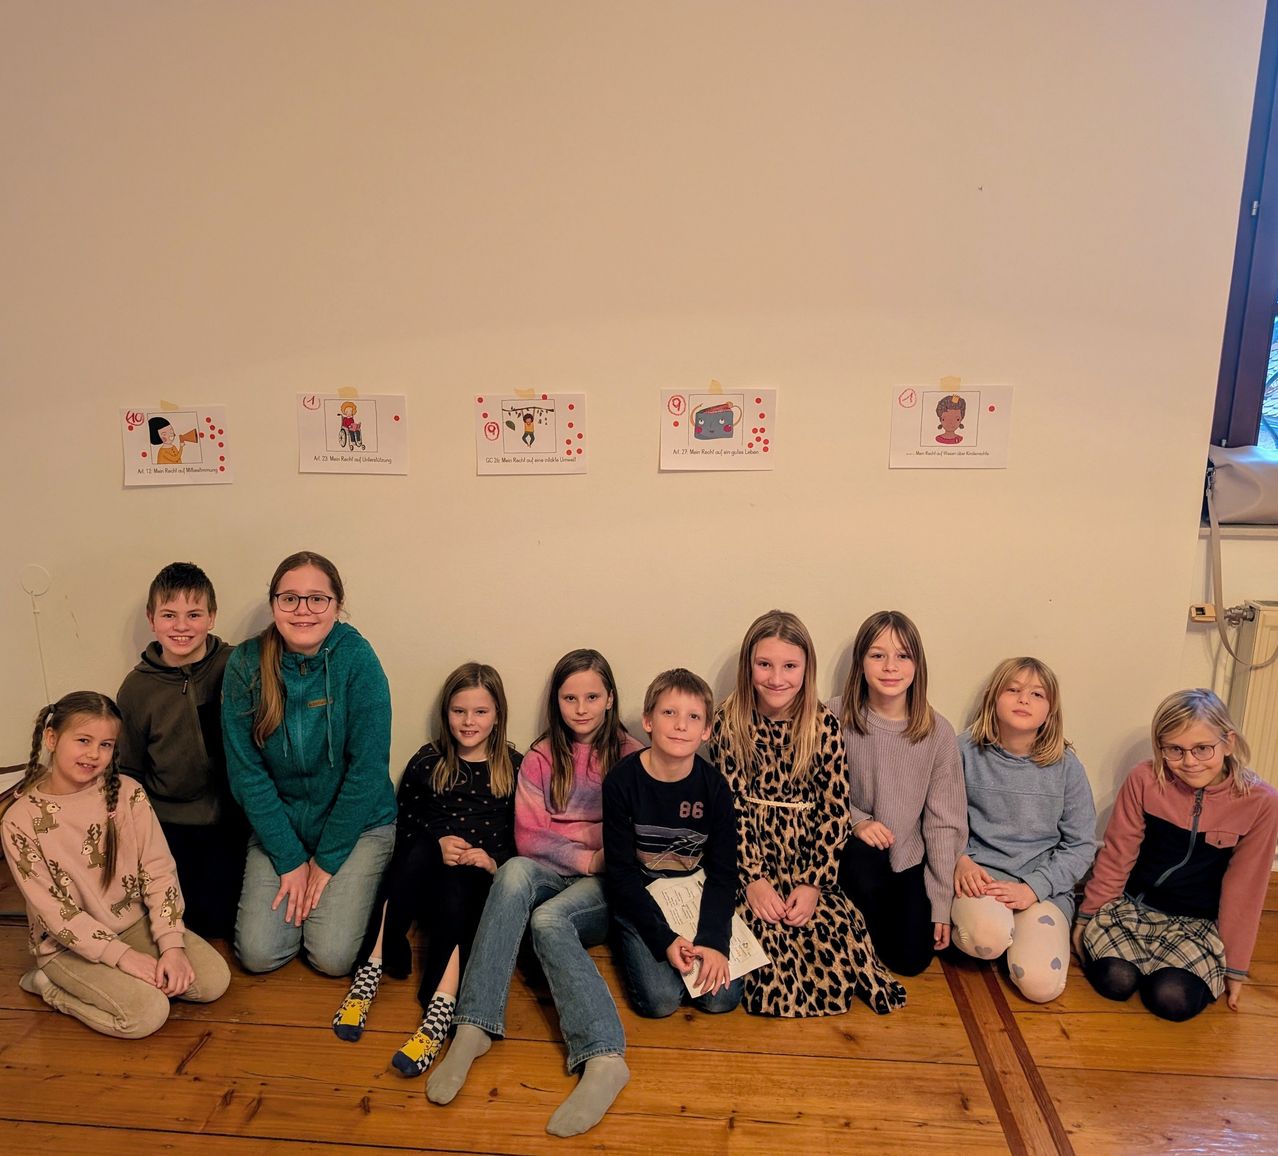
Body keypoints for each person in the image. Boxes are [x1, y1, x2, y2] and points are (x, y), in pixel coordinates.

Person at [427, 648, 643, 1137]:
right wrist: (588, 851)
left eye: (592, 696)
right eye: (570, 697)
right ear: (556, 701)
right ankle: (473, 1024)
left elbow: (629, 836)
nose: (581, 708)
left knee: (548, 921)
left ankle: (605, 1057)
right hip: (558, 872)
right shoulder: (544, 756)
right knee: (513, 872)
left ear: (610, 698)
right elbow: (529, 835)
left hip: (606, 887)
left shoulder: (631, 756)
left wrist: (591, 854)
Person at [707, 610, 906, 1017]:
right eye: (764, 664)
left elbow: (834, 811)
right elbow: (731, 810)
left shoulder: (822, 725)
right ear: (749, 666)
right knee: (768, 950)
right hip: (752, 859)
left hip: (804, 861)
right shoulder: (729, 722)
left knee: (829, 940)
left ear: (805, 668)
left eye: (789, 666)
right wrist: (754, 880)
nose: (776, 678)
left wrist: (813, 884)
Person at [331, 662, 522, 1079]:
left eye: (480, 712)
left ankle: (440, 1007)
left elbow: (519, 835)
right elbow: (407, 817)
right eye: (459, 711)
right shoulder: (429, 759)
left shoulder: (514, 766)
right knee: (412, 857)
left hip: (473, 877)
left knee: (459, 898)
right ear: (446, 712)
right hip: (426, 866)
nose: (468, 722)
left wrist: (490, 861)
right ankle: (372, 968)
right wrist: (438, 841)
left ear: (497, 714)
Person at [2, 692, 230, 1038]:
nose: (94, 754)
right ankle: (47, 984)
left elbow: (157, 869)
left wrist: (171, 945)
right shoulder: (19, 820)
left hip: (132, 922)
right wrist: (123, 958)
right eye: (83, 740)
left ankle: (132, 974)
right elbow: (54, 912)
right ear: (52, 738)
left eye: (106, 744)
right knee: (146, 1014)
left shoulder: (128, 793)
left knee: (213, 981)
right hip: (67, 945)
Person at [221, 551, 396, 978]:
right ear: (273, 605)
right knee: (259, 954)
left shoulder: (358, 660)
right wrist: (290, 859)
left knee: (331, 957)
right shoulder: (245, 665)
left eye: (317, 599)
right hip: (281, 826)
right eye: (290, 599)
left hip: (358, 825)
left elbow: (367, 772)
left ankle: (360, 890)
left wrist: (326, 861)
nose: (303, 610)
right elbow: (247, 775)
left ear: (337, 605)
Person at [1074, 689, 1278, 1021]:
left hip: (1196, 925)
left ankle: (1165, 970)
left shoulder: (1261, 802)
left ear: (1228, 742)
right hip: (1132, 909)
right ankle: (1134, 961)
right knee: (1116, 980)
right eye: (1175, 750)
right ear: (1161, 747)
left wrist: (1236, 967)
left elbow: (1246, 890)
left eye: (1202, 748)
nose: (1190, 761)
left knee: (1172, 997)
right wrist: (1087, 917)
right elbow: (1117, 854)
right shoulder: (1144, 779)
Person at [950, 657, 1097, 1002]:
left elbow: (1081, 844)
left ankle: (1020, 934)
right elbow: (940, 816)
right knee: (986, 940)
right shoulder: (963, 751)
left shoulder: (1066, 766)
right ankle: (996, 931)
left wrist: (1035, 887)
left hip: (1041, 887)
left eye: (1036, 694)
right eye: (1013, 690)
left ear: (1051, 709)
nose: (1023, 700)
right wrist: (960, 859)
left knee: (1041, 987)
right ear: (992, 697)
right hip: (981, 877)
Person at [830, 610, 966, 976]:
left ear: (917, 665)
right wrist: (857, 822)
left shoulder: (937, 733)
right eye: (878, 655)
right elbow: (813, 789)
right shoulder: (834, 715)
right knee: (864, 858)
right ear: (860, 663)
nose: (890, 666)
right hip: (851, 854)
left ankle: (870, 936)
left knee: (912, 960)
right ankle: (851, 936)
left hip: (905, 857)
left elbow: (943, 823)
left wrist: (940, 904)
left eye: (903, 655)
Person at [116, 561, 246, 939]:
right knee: (183, 923)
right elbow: (132, 772)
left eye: (194, 614)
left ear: (212, 617)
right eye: (169, 615)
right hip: (170, 823)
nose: (182, 626)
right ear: (151, 619)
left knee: (220, 924)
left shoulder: (236, 665)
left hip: (231, 819)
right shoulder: (137, 689)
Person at [603, 668, 742, 1017]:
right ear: (648, 720)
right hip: (642, 895)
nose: (681, 725)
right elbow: (620, 875)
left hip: (693, 894)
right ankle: (633, 944)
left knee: (721, 999)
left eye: (693, 717)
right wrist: (664, 940)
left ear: (706, 730)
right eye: (669, 713)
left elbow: (724, 873)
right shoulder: (621, 782)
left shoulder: (714, 788)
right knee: (661, 1001)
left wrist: (712, 940)